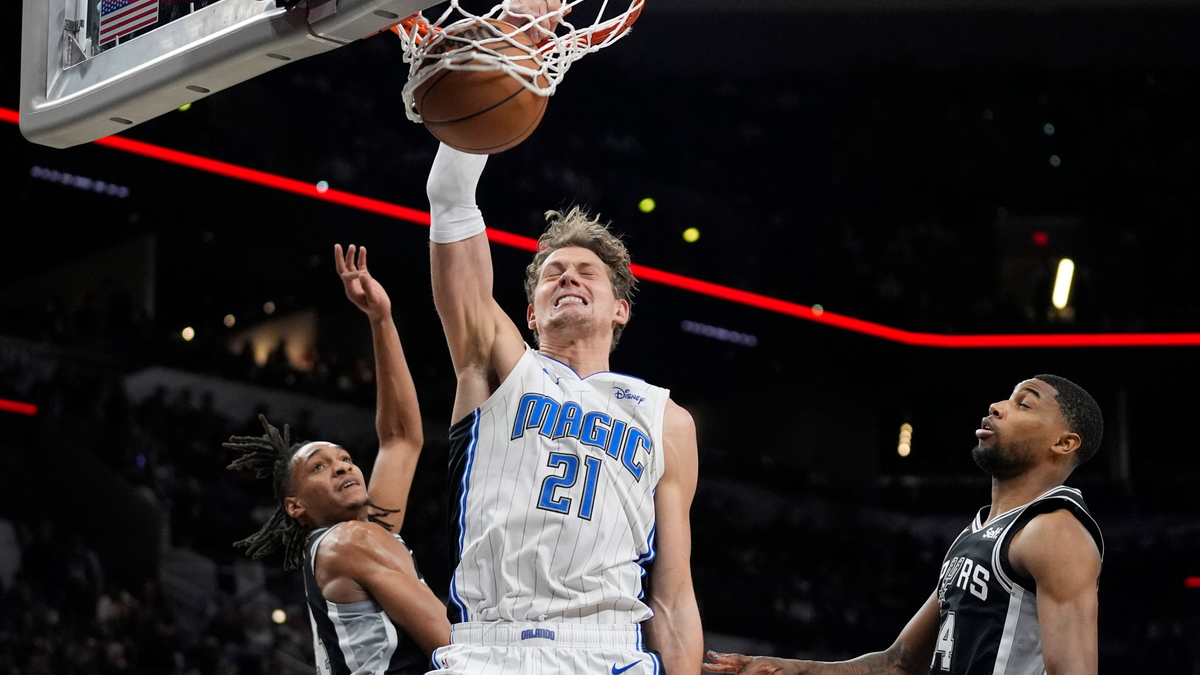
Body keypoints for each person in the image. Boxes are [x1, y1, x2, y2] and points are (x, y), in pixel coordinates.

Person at [424, 137, 704, 675]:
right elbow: (449, 196)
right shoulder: (498, 363)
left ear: (620, 309)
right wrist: (476, 84)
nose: (568, 277)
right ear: (530, 314)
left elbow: (673, 595)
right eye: (553, 273)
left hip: (608, 649)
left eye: (585, 271)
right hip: (488, 645)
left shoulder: (666, 418)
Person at [703, 375, 1105, 675]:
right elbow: (898, 663)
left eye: (1024, 404)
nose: (998, 406)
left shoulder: (1054, 531)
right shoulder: (979, 532)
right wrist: (790, 668)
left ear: (1064, 443)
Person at [225, 244, 450, 674]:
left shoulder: (365, 537)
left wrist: (381, 320)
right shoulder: (347, 542)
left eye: (345, 458)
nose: (344, 466)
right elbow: (447, 642)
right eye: (320, 467)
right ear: (296, 506)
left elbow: (401, 438)